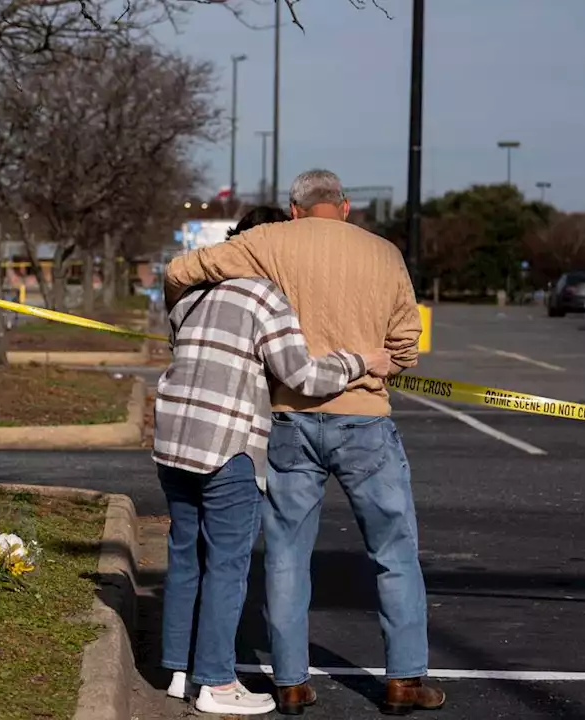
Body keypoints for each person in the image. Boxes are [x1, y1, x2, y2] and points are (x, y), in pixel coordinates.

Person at [164, 170, 443, 716]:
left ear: (294, 210)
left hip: (289, 419)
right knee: (394, 552)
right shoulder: (385, 254)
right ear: (344, 207)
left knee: (288, 555)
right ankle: (404, 680)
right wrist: (374, 360)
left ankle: (290, 681)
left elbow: (180, 270)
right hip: (365, 421)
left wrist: (181, 324)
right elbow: (406, 346)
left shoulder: (268, 242)